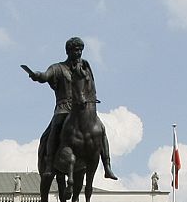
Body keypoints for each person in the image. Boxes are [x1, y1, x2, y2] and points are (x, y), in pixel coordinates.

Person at [21, 35, 118, 180]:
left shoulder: (85, 66)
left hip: (83, 109)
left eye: (80, 50)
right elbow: (45, 76)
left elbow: (91, 86)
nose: (78, 53)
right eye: (75, 50)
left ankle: (107, 166)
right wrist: (37, 75)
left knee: (101, 129)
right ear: (68, 51)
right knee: (54, 128)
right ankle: (49, 164)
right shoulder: (57, 68)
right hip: (64, 108)